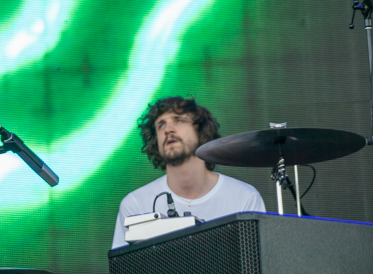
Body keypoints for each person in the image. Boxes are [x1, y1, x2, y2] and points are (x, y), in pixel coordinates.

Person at [111, 96, 265, 248]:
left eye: (179, 120)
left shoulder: (243, 198)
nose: (168, 129)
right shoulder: (135, 205)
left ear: (201, 132)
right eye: (161, 125)